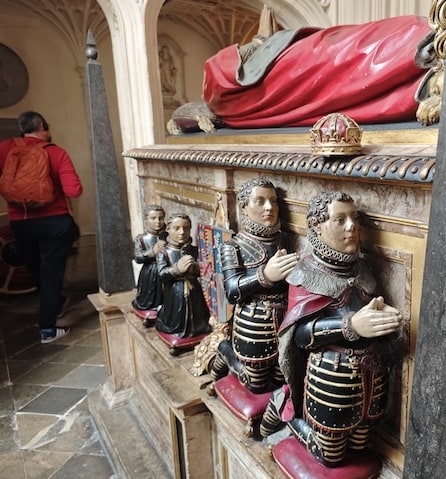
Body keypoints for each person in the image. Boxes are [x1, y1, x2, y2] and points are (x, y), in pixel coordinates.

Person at [261, 191, 402, 468]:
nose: (352, 226)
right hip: (330, 379)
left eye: (354, 218)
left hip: (369, 379)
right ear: (317, 227)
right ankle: (289, 417)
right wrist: (350, 325)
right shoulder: (305, 273)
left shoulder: (362, 270)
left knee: (360, 448)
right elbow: (298, 335)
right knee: (331, 457)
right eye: (340, 219)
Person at [202, 10, 433, 128]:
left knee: (345, 44)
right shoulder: (224, 95)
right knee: (349, 51)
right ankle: (421, 45)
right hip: (292, 71)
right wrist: (260, 42)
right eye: (244, 51)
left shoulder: (235, 101)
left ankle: (422, 43)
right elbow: (229, 78)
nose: (247, 49)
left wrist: (264, 44)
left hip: (295, 62)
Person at [209, 178, 298, 393]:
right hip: (253, 322)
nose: (269, 207)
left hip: (286, 320)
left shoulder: (284, 240)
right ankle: (225, 351)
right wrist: (265, 275)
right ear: (244, 206)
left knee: (280, 379)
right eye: (260, 201)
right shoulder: (233, 247)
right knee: (256, 386)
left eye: (274, 201)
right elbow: (231, 290)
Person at [0, 111, 82, 344]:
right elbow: (74, 190)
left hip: (20, 223)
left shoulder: (6, 149)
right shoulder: (56, 153)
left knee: (36, 269)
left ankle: (54, 303)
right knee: (51, 273)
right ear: (43, 127)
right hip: (54, 223)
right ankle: (47, 328)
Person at [155, 213, 211, 339]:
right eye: (177, 228)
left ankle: (198, 327)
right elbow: (161, 275)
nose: (182, 232)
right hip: (174, 293)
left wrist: (194, 268)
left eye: (186, 228)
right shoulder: (164, 253)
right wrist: (177, 269)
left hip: (194, 291)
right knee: (176, 316)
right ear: (168, 229)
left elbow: (204, 270)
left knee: (198, 313)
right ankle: (174, 327)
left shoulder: (194, 250)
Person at [131, 204, 167, 319]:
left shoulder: (168, 236)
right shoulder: (141, 238)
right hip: (150, 272)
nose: (158, 221)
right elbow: (138, 257)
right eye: (153, 218)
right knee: (150, 294)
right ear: (147, 219)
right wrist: (152, 252)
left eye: (160, 218)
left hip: (166, 269)